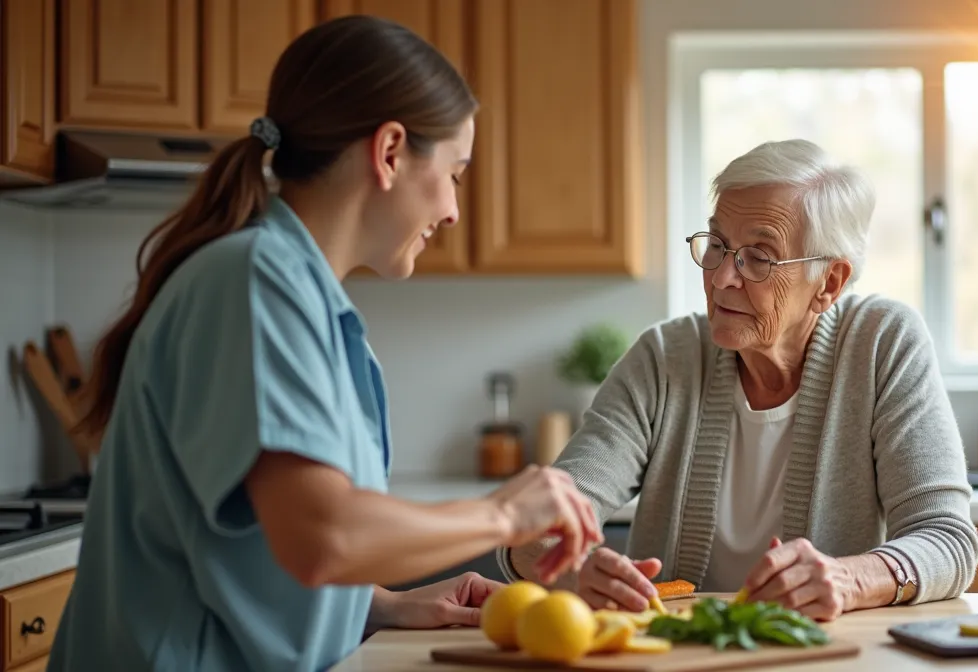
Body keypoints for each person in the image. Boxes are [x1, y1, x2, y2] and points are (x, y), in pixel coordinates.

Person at [47, 16, 601, 672]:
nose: (453, 210)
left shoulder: (296, 294)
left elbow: (258, 545)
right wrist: (504, 512)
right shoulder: (253, 282)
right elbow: (323, 536)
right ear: (390, 151)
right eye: (455, 172)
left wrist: (378, 605)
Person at [499, 139, 978, 622]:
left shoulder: (882, 344)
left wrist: (850, 578)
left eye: (759, 257)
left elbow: (947, 539)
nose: (722, 277)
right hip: (675, 654)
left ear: (829, 283)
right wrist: (572, 572)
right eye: (718, 246)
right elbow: (537, 523)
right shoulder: (663, 359)